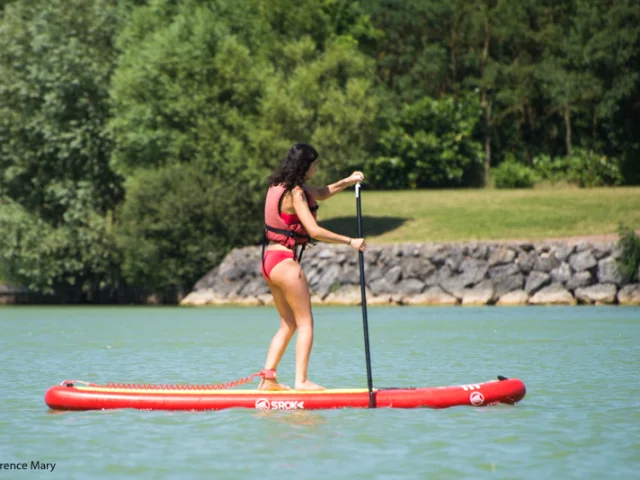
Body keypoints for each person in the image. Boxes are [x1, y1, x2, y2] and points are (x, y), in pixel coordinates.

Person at [258, 143, 366, 391]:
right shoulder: (295, 193)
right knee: (305, 322)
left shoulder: (277, 187)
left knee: (288, 323)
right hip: (286, 264)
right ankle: (301, 381)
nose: (317, 168)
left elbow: (320, 192)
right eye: (315, 164)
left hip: (268, 262)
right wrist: (351, 241)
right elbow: (314, 230)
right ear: (304, 166)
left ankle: (268, 379)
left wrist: (348, 181)